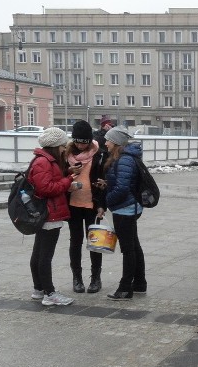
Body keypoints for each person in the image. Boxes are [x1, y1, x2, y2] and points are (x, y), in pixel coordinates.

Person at [29, 127, 80, 306]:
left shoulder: (45, 160)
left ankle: (38, 289)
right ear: (55, 145)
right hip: (49, 213)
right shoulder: (44, 162)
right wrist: (68, 181)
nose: (64, 149)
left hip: (47, 213)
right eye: (62, 145)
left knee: (38, 253)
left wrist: (66, 174)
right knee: (45, 256)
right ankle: (49, 293)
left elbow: (49, 181)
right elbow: (46, 188)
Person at [100, 126, 147, 300]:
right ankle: (140, 283)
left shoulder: (124, 159)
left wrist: (108, 200)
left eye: (108, 140)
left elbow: (122, 187)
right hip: (128, 206)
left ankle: (125, 288)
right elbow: (121, 182)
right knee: (134, 246)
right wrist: (107, 185)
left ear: (116, 142)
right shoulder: (125, 157)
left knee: (128, 250)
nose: (106, 143)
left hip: (125, 208)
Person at [66, 120, 107, 294]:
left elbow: (105, 180)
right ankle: (77, 278)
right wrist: (68, 172)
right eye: (77, 141)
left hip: (92, 204)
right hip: (72, 205)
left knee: (94, 242)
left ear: (90, 140)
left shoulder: (99, 155)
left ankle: (96, 278)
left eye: (84, 141)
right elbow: (58, 177)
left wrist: (102, 204)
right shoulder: (66, 154)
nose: (80, 145)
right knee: (75, 242)